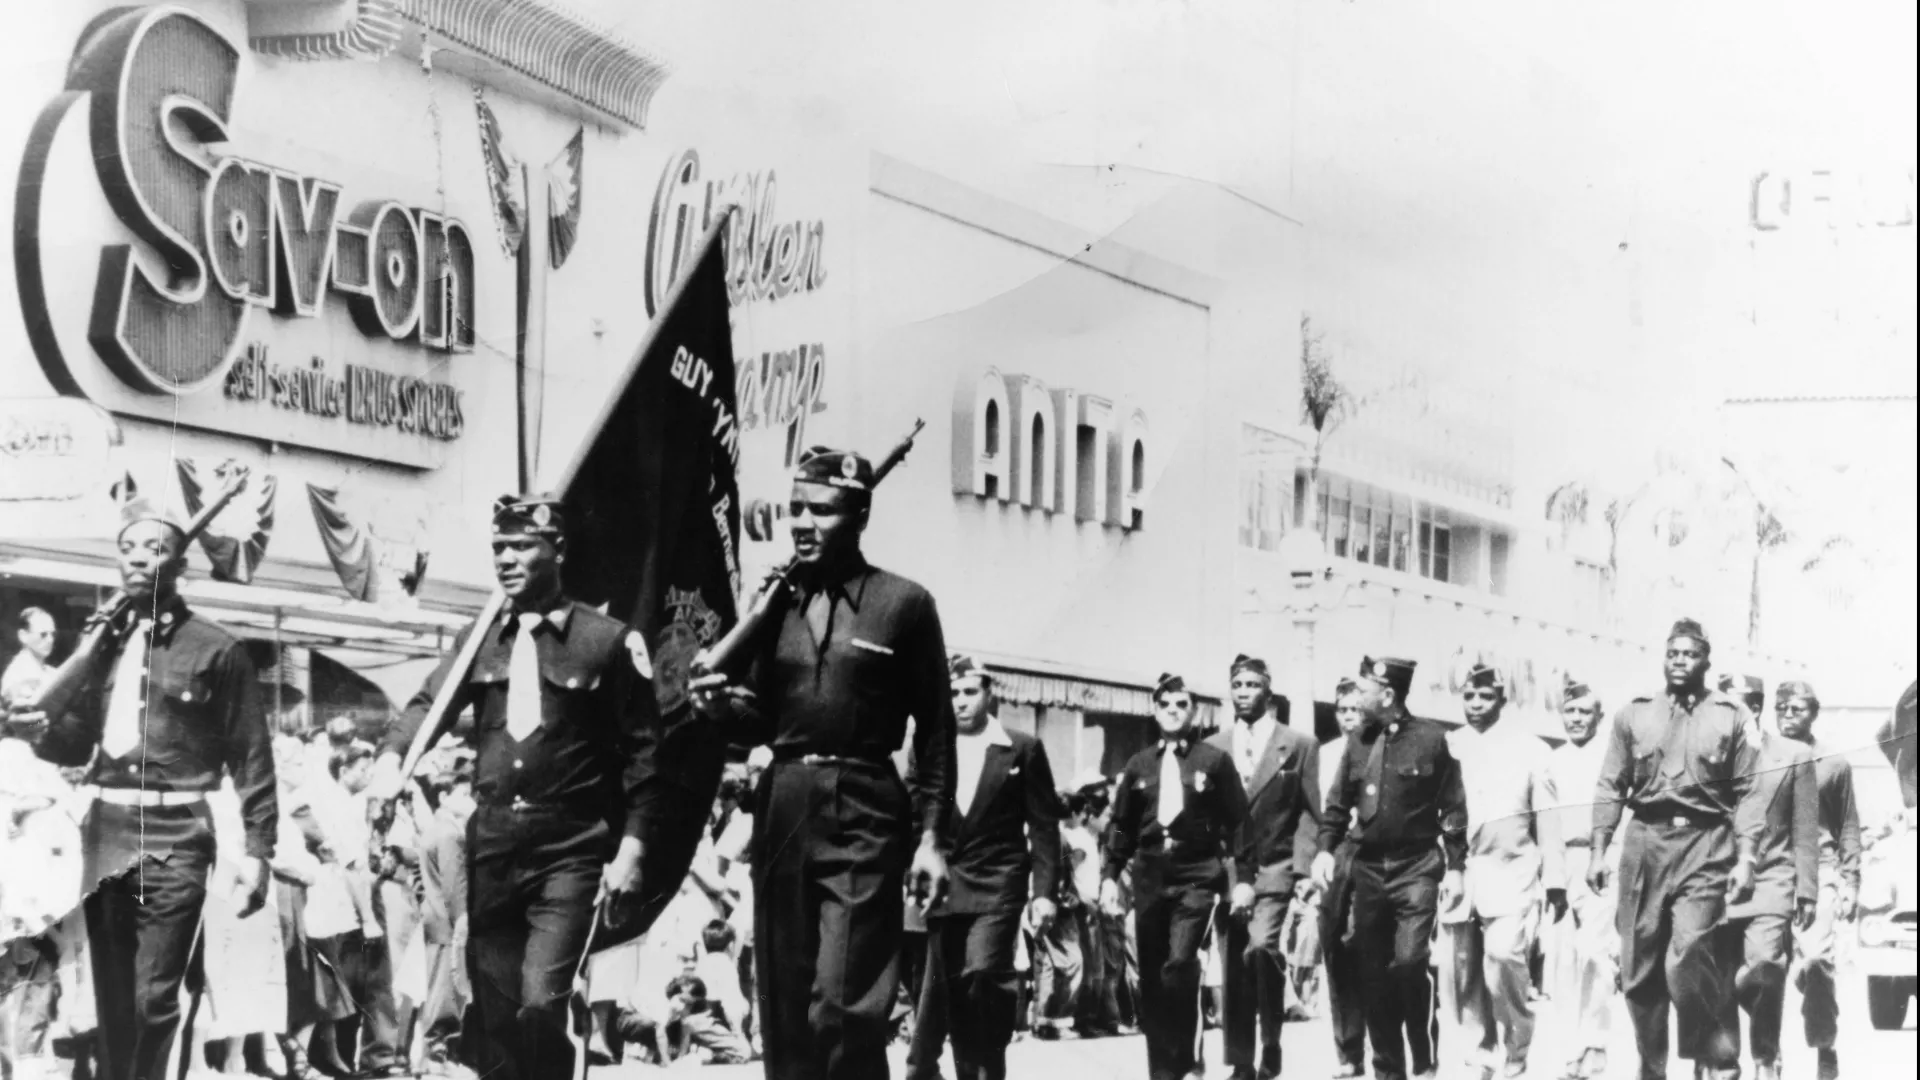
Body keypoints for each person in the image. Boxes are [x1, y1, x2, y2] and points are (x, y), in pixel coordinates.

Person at [364, 494, 655, 1080]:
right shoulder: (480, 640)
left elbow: (645, 754)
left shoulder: (607, 641)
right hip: (493, 847)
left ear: (559, 550)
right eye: (499, 546)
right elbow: (429, 705)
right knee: (496, 1018)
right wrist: (390, 761)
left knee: (540, 1005)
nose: (506, 558)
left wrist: (633, 848)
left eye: (522, 546)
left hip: (569, 849)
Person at [687, 446, 955, 1080]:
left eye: (822, 510)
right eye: (795, 508)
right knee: (784, 1009)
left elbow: (937, 727)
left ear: (860, 515)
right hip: (782, 803)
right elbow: (763, 720)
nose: (802, 522)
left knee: (842, 1008)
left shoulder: (904, 604)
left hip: (865, 805)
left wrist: (933, 838)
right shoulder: (772, 605)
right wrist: (719, 708)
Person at [12, 498, 276, 1080]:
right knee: (109, 996)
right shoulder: (101, 647)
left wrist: (260, 852)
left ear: (181, 566)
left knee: (152, 997)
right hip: (105, 830)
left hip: (178, 834)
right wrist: (34, 730)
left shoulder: (217, 650)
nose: (135, 562)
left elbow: (254, 759)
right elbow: (80, 741)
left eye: (153, 550)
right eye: (126, 550)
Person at [1589, 619, 1762, 1080]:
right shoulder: (1634, 715)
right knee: (1639, 970)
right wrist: (1598, 848)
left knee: (1687, 956)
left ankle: (1712, 1052)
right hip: (1645, 844)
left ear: (1707, 660)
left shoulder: (1731, 715)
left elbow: (1748, 794)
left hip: (1707, 845)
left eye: (1689, 654)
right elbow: (1611, 784)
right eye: (1673, 653)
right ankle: (1652, 1066)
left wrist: (1746, 857)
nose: (1680, 661)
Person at [1311, 657, 1467, 1080]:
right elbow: (1338, 804)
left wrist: (1455, 867)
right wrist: (1326, 849)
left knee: (1410, 962)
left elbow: (1453, 808)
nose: (1356, 698)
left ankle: (1424, 1057)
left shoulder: (1433, 740)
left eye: (1364, 689)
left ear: (1388, 694)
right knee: (1372, 972)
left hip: (1416, 868)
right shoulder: (1358, 741)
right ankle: (1388, 1071)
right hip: (1368, 871)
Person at [908, 655, 1062, 1080]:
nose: (960, 702)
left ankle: (986, 1064)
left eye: (970, 692)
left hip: (998, 882)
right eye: (953, 693)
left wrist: (1044, 892)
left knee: (980, 975)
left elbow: (1044, 826)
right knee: (951, 988)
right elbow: (910, 817)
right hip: (943, 886)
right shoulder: (930, 749)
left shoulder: (1022, 747)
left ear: (989, 693)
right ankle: (977, 1072)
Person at [1101, 672, 1251, 1080]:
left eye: (1181, 705)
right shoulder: (1138, 765)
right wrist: (1110, 876)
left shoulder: (1214, 762)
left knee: (1179, 966)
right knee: (1152, 977)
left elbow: (1238, 823)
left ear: (1193, 710)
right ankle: (1162, 1072)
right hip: (1149, 878)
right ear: (1154, 710)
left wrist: (1242, 880)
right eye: (1165, 704)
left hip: (1197, 878)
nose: (1172, 711)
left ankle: (1186, 1059)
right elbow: (1120, 827)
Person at [1441, 663, 1564, 1080]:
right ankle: (1480, 1052)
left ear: (1501, 700)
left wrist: (1556, 879)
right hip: (1459, 871)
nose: (1475, 704)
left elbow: (1547, 819)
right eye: (1469, 696)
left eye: (1485, 696)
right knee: (1464, 967)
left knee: (1503, 955)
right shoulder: (1448, 745)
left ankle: (1517, 1043)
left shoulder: (1530, 749)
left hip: (1511, 868)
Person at [1205, 654, 1320, 1080]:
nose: (1244, 693)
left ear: (1267, 692)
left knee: (1261, 950)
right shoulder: (1213, 748)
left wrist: (1303, 869)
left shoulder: (1299, 745)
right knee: (1234, 966)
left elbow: (1311, 812)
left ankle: (1271, 1039)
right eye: (1238, 685)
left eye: (1253, 685)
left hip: (1276, 868)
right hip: (1229, 874)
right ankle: (1241, 1061)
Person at [1709, 674, 1816, 1080]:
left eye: (1737, 706)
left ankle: (1766, 1055)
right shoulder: (1703, 755)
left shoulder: (1793, 755)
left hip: (1772, 877)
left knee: (1766, 965)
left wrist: (1806, 889)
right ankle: (1724, 1062)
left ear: (1754, 709)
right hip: (1714, 880)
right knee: (1718, 975)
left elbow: (1805, 829)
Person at [1770, 680, 1861, 1080]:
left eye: (1797, 709)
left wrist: (1851, 881)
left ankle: (1824, 1042)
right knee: (1765, 967)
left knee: (1817, 959)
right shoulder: (1763, 759)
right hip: (1773, 871)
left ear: (1814, 713)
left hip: (1821, 871)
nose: (1788, 715)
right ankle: (1767, 1052)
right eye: (1781, 708)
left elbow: (1848, 827)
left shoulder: (1834, 765)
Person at [1544, 677, 1619, 1080]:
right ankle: (1571, 1047)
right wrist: (1552, 875)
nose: (1576, 719)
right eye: (1570, 711)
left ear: (1598, 717)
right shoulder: (1552, 761)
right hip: (1563, 861)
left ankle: (1597, 1041)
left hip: (1601, 862)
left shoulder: (1612, 758)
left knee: (1597, 952)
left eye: (1584, 711)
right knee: (1564, 959)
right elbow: (1546, 822)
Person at [1318, 677, 1371, 1080]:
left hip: (1375, 856)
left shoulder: (1377, 748)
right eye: (1343, 709)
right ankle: (1349, 1051)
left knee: (1372, 947)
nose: (1350, 716)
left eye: (1356, 708)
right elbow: (1312, 813)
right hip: (1335, 859)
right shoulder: (1324, 755)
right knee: (1336, 948)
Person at [2, 608, 58, 708]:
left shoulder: (52, 672)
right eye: (43, 634)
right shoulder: (16, 675)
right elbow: (27, 720)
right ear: (23, 636)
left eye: (52, 634)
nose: (50, 640)